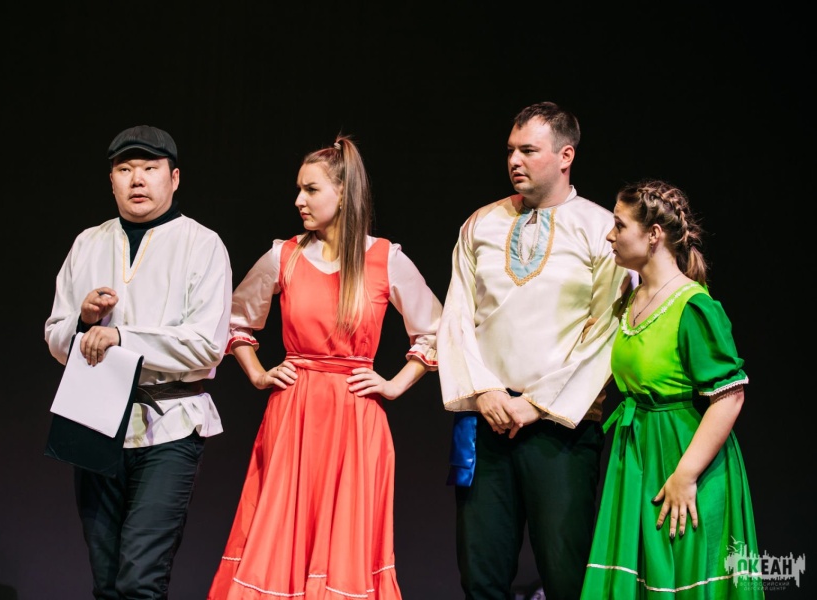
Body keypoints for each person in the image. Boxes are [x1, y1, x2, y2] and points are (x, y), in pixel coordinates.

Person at [206, 135, 442, 600]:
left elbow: (436, 329)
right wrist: (257, 372)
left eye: (311, 189)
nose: (299, 200)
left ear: (343, 193)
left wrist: (396, 384)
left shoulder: (385, 258)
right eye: (298, 189)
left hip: (355, 419)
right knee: (281, 540)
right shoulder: (286, 255)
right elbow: (235, 319)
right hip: (294, 416)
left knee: (345, 548)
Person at [437, 101, 633, 600]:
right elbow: (456, 316)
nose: (514, 161)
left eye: (528, 150)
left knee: (567, 573)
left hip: (561, 428)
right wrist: (484, 391)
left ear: (566, 156)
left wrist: (536, 403)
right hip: (487, 420)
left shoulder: (601, 229)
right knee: (481, 575)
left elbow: (608, 330)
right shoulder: (480, 224)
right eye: (510, 150)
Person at [44, 125, 233, 599]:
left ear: (174, 177)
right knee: (107, 582)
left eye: (150, 168)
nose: (137, 180)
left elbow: (206, 345)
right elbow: (55, 337)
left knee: (140, 581)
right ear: (111, 180)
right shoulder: (88, 243)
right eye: (125, 169)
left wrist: (121, 337)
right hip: (95, 418)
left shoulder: (201, 244)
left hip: (169, 422)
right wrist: (83, 322)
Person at [580, 179, 763, 599]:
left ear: (654, 235)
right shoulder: (630, 300)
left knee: (681, 578)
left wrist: (686, 475)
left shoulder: (691, 305)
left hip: (682, 456)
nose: (610, 235)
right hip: (638, 455)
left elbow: (729, 396)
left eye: (620, 225)